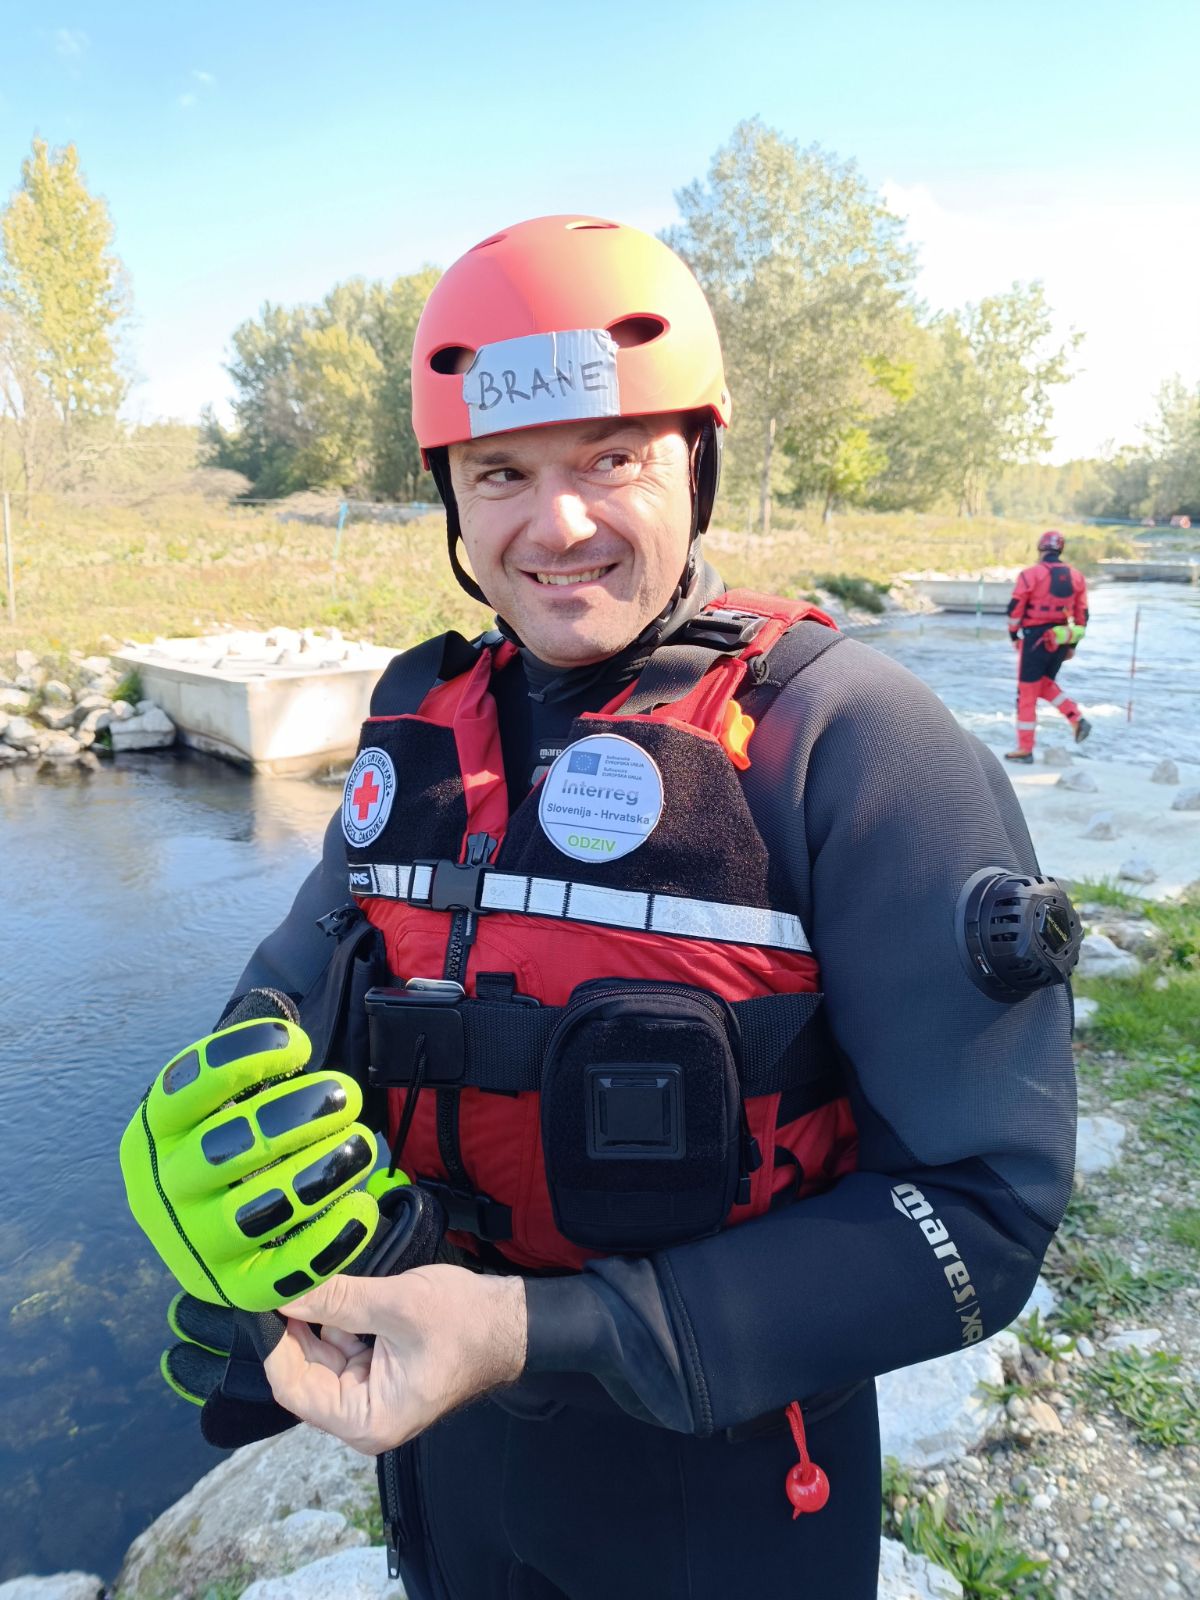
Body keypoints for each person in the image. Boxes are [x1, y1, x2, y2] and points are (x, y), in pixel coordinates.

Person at [121, 216, 1078, 1600]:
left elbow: (985, 1214)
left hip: (733, 1484)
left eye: (611, 457)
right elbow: (285, 1004)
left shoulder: (851, 743)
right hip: (451, 1465)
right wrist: (231, 1209)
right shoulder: (418, 729)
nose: (556, 523)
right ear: (450, 496)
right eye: (501, 471)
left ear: (698, 461)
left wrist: (529, 1330)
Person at [1004, 530, 1091, 763]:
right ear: (1060, 549)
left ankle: (1025, 749)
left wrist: (1014, 635)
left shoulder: (1030, 575)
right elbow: (1083, 615)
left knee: (1027, 693)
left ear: (1041, 549)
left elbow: (1014, 609)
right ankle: (1076, 718)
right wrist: (1072, 644)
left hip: (1035, 640)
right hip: (1061, 639)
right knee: (1043, 685)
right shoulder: (1077, 577)